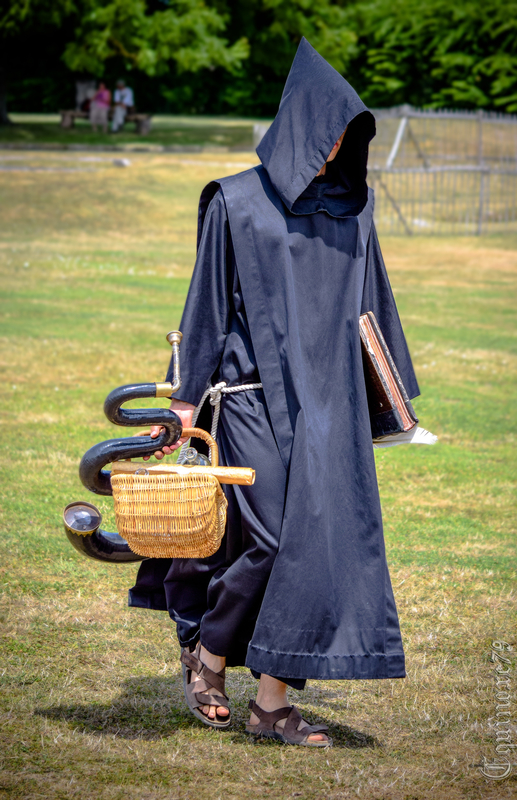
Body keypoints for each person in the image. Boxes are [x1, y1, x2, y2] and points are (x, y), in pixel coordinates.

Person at [130, 38, 420, 747]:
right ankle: (207, 649)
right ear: (298, 126)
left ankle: (271, 705)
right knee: (268, 543)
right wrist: (183, 403)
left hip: (329, 408)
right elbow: (203, 306)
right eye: (328, 134)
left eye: (348, 137)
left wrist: (392, 401)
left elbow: (370, 305)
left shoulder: (354, 209)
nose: (335, 150)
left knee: (316, 549)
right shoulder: (233, 202)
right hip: (251, 397)